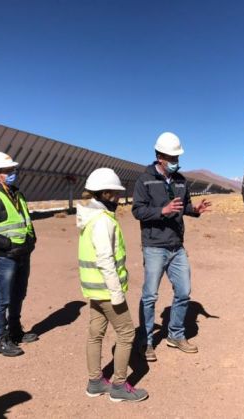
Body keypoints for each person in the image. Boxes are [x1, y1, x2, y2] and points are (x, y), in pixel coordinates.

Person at [132, 132, 211, 362]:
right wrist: (161, 211)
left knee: (184, 292)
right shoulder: (144, 180)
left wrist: (194, 209)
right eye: (172, 156)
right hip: (155, 245)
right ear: (159, 156)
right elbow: (137, 210)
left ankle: (175, 335)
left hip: (177, 246)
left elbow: (183, 206)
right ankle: (145, 341)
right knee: (149, 296)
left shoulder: (180, 180)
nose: (176, 159)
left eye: (177, 155)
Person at [77, 168, 148, 402]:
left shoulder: (90, 218)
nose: (118, 199)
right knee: (127, 333)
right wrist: (117, 293)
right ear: (104, 194)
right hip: (108, 290)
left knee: (95, 333)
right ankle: (118, 386)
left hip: (94, 289)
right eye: (115, 194)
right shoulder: (102, 222)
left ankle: (95, 382)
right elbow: (105, 259)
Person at [0, 151, 38, 357]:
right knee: (2, 299)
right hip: (3, 257)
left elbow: (26, 221)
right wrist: (8, 244)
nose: (13, 173)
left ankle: (15, 331)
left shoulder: (18, 195)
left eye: (13, 170)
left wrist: (31, 240)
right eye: (8, 170)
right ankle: (0, 339)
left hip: (22, 255)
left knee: (18, 295)